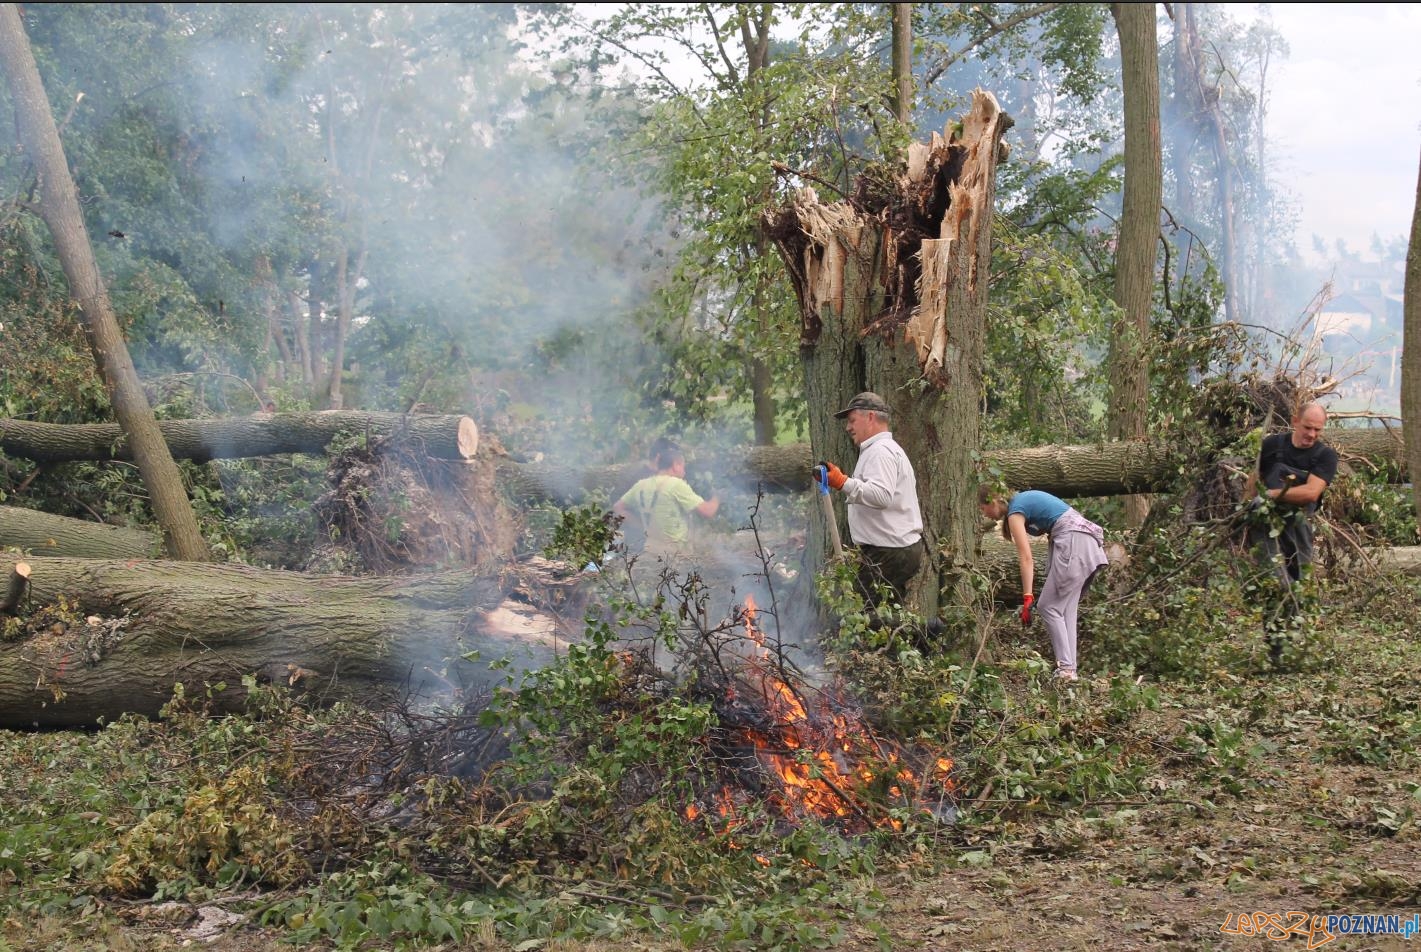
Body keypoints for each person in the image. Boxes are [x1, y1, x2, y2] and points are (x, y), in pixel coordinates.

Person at [978, 486, 1108, 682]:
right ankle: (1069, 670)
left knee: (1049, 606)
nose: (984, 514)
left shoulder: (1015, 511)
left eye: (982, 508)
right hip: (1082, 541)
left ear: (992, 501)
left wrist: (1028, 596)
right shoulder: (1020, 502)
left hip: (1074, 541)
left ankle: (1065, 669)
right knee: (1066, 610)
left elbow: (1026, 558)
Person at [1243, 402, 1338, 663]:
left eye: (1318, 430)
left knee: (1299, 583)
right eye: (1308, 427)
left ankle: (1295, 644)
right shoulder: (1273, 445)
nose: (1312, 435)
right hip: (1265, 524)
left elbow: (1311, 492)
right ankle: (1275, 647)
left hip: (1298, 525)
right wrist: (1248, 506)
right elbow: (1255, 480)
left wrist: (1271, 495)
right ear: (1295, 421)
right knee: (1275, 583)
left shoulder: (1325, 456)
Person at [819, 392, 924, 621]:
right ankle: (915, 644)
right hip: (894, 548)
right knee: (886, 617)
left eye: (852, 420)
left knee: (867, 619)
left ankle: (930, 631)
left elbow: (882, 496)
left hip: (889, 550)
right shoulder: (882, 450)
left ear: (870, 417)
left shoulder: (881, 451)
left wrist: (842, 482)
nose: (848, 427)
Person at [613, 440, 720, 562]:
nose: (684, 472)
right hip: (675, 554)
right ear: (675, 465)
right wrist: (717, 497)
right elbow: (708, 511)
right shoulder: (676, 485)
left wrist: (640, 524)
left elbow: (618, 508)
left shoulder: (641, 485)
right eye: (683, 467)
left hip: (651, 551)